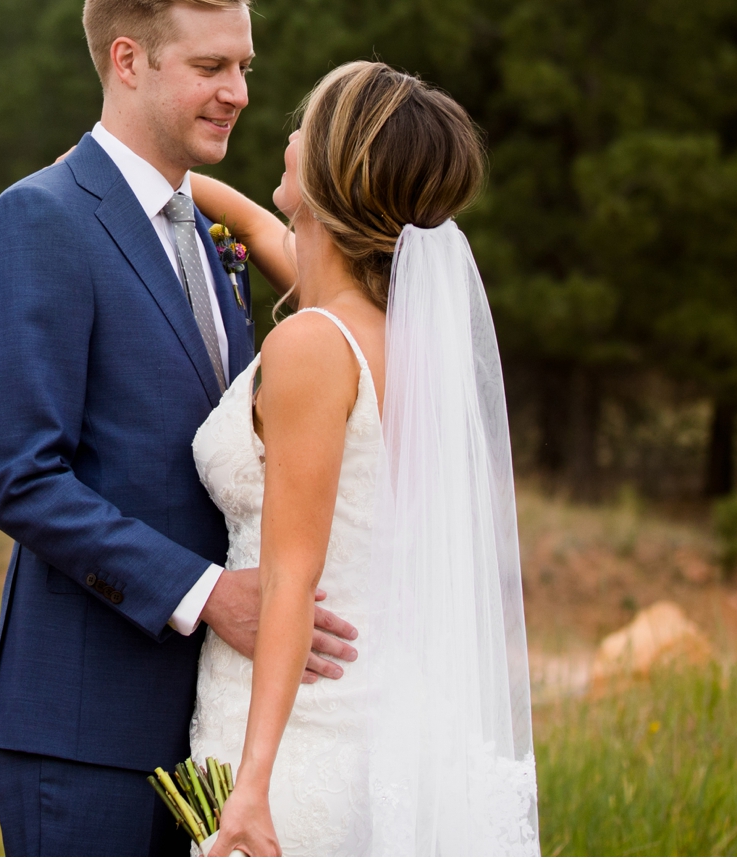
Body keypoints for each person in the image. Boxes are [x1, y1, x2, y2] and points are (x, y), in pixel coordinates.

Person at [0, 0, 359, 857]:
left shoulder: (208, 235)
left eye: (245, 67)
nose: (239, 93)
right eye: (211, 67)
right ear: (128, 59)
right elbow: (21, 477)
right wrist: (210, 593)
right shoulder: (39, 220)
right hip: (85, 729)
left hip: (211, 727)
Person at [189, 60, 538, 856]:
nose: (287, 128)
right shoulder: (398, 333)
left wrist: (252, 785)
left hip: (295, 745)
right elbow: (284, 244)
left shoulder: (312, 342)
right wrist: (170, 181)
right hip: (374, 721)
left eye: (308, 120)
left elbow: (290, 578)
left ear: (337, 168)